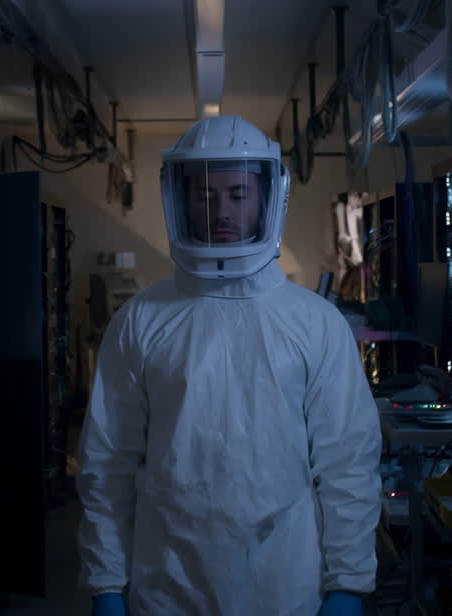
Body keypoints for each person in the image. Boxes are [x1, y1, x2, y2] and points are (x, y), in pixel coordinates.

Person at [77, 116, 382, 615]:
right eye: (204, 196)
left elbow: (347, 465)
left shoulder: (315, 324)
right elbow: (108, 463)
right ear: (179, 201)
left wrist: (346, 584)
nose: (220, 211)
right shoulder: (141, 322)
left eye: (238, 195)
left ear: (267, 198)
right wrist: (107, 584)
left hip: (285, 589)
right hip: (168, 587)